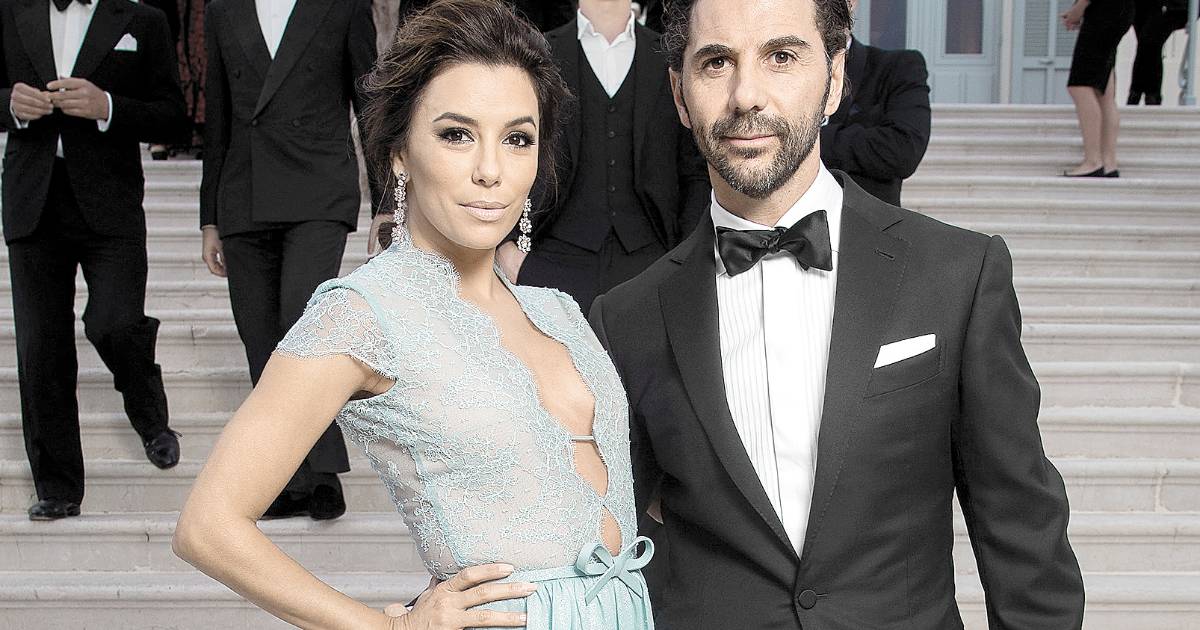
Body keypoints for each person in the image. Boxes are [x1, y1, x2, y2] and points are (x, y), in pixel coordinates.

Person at [588, 0, 1086, 627]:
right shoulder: (625, 319)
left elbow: (1023, 534)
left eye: (781, 57)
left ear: (834, 78)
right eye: (716, 63)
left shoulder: (956, 274)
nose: (747, 95)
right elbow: (603, 546)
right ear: (680, 95)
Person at [174, 2, 655, 628]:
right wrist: (389, 627)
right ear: (399, 151)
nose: (490, 171)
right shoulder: (362, 314)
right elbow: (207, 528)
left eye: (517, 139)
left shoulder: (558, 311)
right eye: (457, 134)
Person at [1, 0, 188, 521]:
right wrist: (10, 104)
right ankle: (58, 487)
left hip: (111, 202)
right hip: (33, 201)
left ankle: (149, 416)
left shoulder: (142, 20)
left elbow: (173, 116)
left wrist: (107, 106)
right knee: (41, 349)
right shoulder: (9, 14)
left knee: (116, 321)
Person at [200, 0, 381, 520]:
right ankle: (288, 478)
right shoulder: (223, 10)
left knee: (302, 328)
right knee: (259, 336)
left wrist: (387, 203)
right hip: (243, 193)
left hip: (317, 190)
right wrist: (210, 217)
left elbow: (370, 106)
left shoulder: (343, 6)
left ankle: (322, 476)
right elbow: (218, 114)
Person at [495, 0, 710, 313]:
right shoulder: (538, 52)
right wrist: (506, 248)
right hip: (551, 259)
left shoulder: (671, 56)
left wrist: (689, 255)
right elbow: (508, 143)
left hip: (651, 260)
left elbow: (695, 169)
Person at [820, 0, 930, 207]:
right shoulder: (768, 68)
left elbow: (903, 150)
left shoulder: (897, 68)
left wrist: (811, 140)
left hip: (860, 219)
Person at [1061, 0, 1135, 177]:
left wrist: (1078, 10)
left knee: (1080, 86)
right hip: (1119, 11)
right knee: (1103, 91)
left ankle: (1093, 161)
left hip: (1105, 11)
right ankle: (1109, 162)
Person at [1128, 0, 1193, 105]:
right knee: (1147, 44)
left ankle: (1138, 95)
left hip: (1174, 5)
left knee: (1148, 40)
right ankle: (1147, 95)